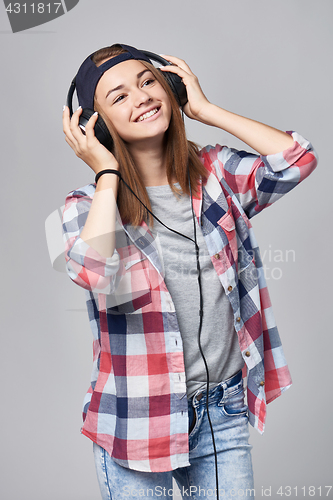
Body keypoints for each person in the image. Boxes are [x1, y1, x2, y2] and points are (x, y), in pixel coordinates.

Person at [62, 43, 317, 500]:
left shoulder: (216, 174)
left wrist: (205, 109)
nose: (140, 96)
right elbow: (94, 271)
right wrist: (106, 171)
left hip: (222, 410)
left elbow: (297, 159)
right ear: (94, 128)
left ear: (171, 88)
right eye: (118, 97)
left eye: (148, 81)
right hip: (137, 420)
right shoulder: (85, 207)